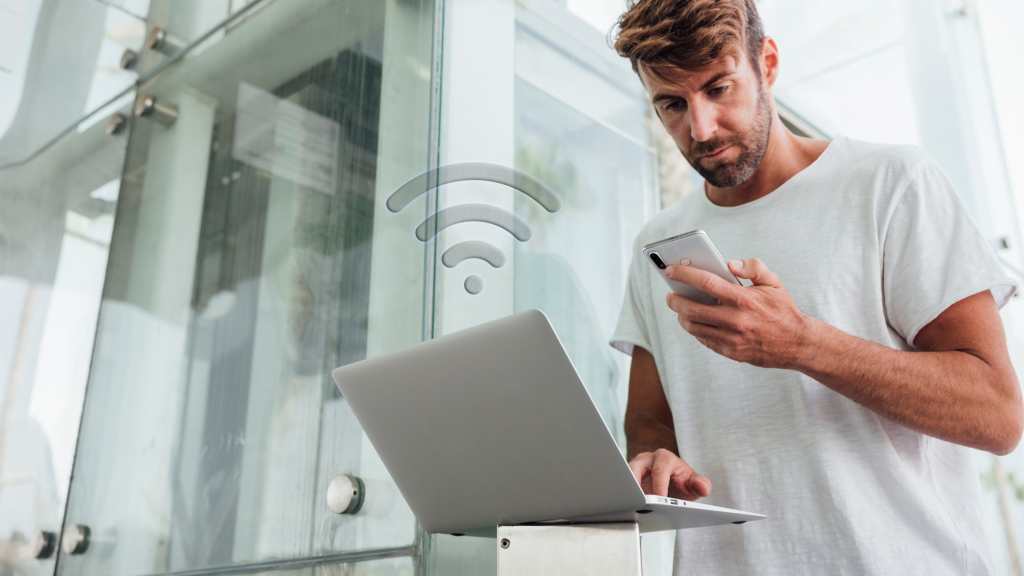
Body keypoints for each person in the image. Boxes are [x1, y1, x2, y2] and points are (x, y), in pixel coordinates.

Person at [609, 0, 1024, 574]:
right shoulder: (658, 242)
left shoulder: (890, 184)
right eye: (672, 104)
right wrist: (654, 456)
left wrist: (802, 344)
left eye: (719, 89)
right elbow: (648, 420)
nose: (700, 128)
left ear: (767, 63)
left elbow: (998, 415)